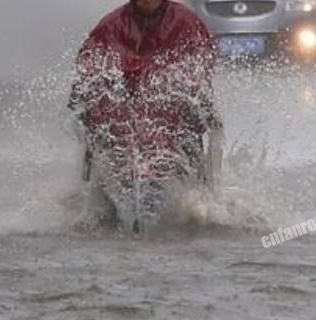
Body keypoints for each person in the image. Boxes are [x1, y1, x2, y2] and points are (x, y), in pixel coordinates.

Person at [68, 0, 224, 231]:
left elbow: (201, 67)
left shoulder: (186, 22)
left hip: (169, 120)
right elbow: (88, 69)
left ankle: (202, 198)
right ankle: (102, 205)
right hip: (122, 120)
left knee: (194, 134)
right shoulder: (112, 24)